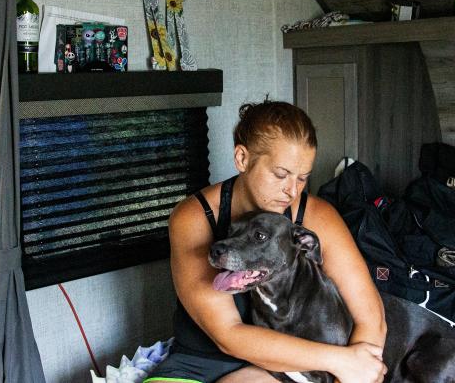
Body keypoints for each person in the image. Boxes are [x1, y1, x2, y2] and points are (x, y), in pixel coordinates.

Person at [145, 100, 388, 383]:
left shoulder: (316, 216)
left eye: (302, 178)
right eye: (281, 174)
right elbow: (229, 335)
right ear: (242, 158)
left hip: (278, 368)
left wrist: (352, 371)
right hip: (201, 362)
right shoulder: (195, 217)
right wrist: (340, 360)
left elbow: (371, 320)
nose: (291, 191)